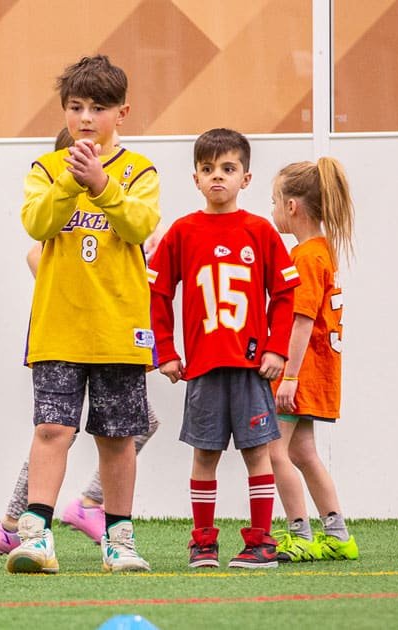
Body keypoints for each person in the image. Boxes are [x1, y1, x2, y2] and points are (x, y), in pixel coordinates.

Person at [6, 55, 160, 574]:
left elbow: (140, 227)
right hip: (58, 328)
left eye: (99, 107)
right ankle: (35, 536)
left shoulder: (140, 171)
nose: (86, 118)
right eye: (76, 107)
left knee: (117, 437)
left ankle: (118, 539)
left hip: (119, 329)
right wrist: (74, 182)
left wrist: (102, 183)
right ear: (65, 112)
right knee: (53, 430)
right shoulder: (46, 169)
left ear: (123, 112)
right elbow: (37, 222)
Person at [148, 128, 299, 569]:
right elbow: (157, 294)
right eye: (208, 169)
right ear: (195, 178)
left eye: (228, 169)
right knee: (204, 454)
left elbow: (286, 294)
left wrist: (277, 349)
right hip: (203, 368)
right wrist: (166, 352)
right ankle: (203, 543)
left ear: (246, 178)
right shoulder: (182, 231)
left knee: (258, 452)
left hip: (252, 367)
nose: (218, 177)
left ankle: (260, 543)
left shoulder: (261, 231)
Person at [268, 158, 359, 562]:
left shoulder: (306, 257)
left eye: (274, 201)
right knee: (303, 452)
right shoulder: (323, 252)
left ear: (292, 207)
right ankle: (337, 534)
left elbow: (301, 323)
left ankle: (300, 534)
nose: (271, 210)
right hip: (316, 372)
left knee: (275, 451)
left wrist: (288, 377)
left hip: (299, 373)